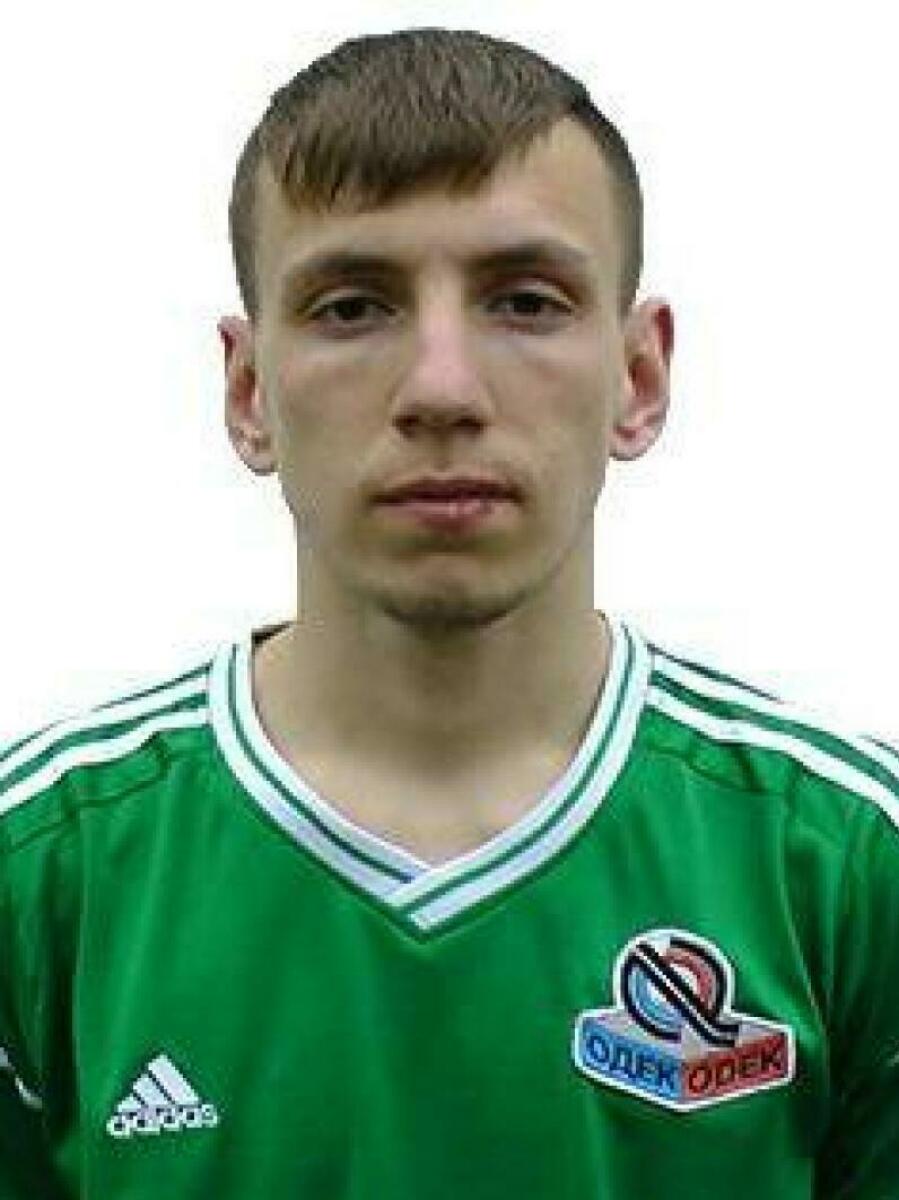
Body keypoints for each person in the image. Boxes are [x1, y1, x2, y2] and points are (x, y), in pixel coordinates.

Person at [1, 25, 896, 1200]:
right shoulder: (40, 869)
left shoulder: (848, 862)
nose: (440, 388)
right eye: (350, 307)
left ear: (636, 377)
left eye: (523, 301)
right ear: (248, 391)